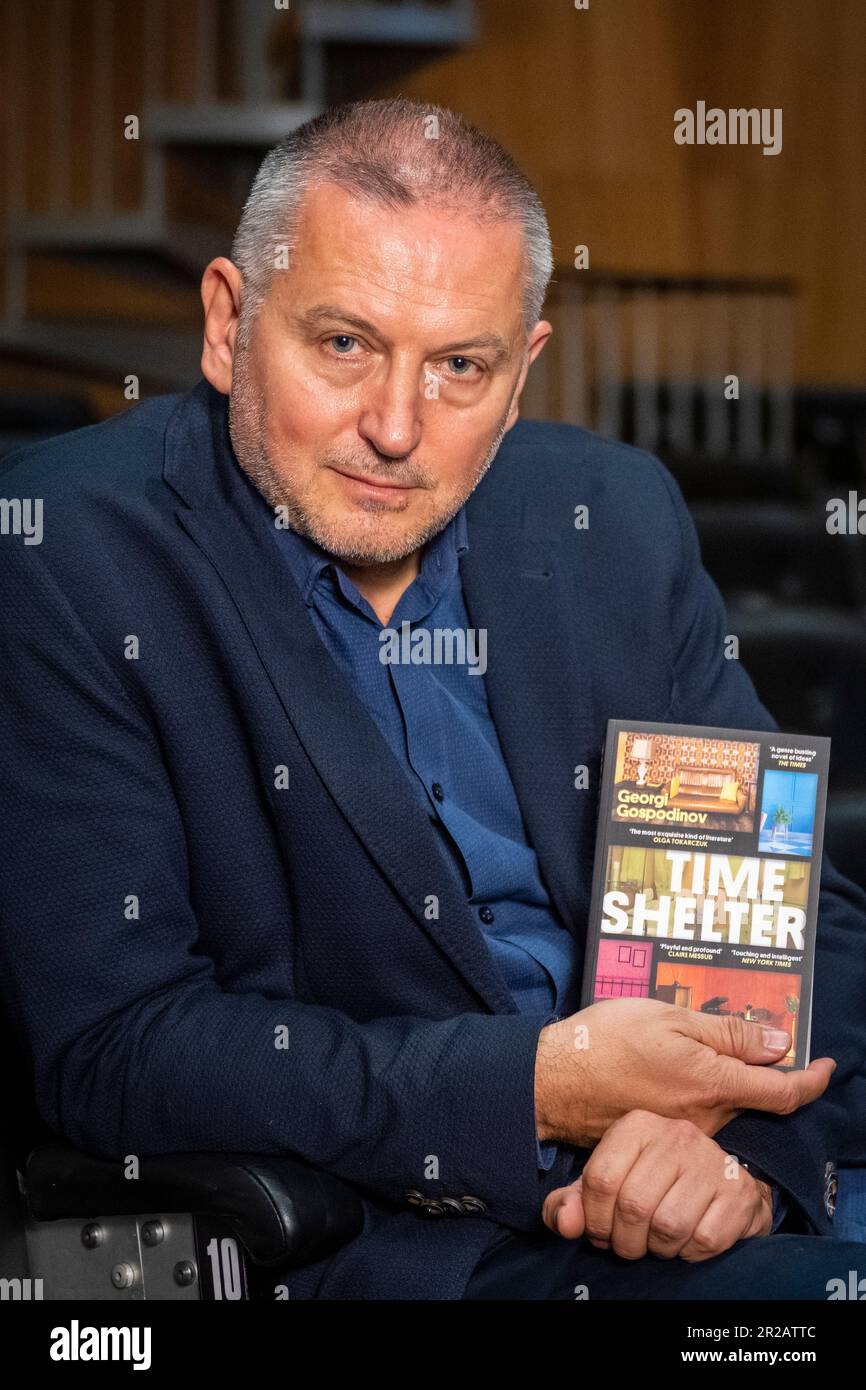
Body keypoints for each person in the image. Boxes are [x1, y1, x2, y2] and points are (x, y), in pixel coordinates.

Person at [0, 98, 864, 1302]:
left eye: (461, 366)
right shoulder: (62, 553)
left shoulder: (610, 514)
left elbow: (795, 917)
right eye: (344, 344)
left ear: (522, 376)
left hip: (712, 1184)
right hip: (417, 1240)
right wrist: (539, 1084)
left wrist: (745, 1161)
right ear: (225, 324)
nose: (396, 429)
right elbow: (114, 1048)